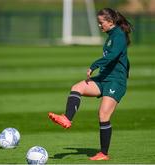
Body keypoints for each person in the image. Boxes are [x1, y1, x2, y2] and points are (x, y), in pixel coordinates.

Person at [48, 8, 132, 161]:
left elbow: (113, 56)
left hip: (115, 82)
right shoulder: (111, 36)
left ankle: (103, 154)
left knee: (103, 115)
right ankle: (67, 118)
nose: (100, 26)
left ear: (110, 21)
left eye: (101, 23)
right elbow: (121, 58)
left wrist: (94, 65)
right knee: (77, 87)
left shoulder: (118, 35)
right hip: (104, 78)